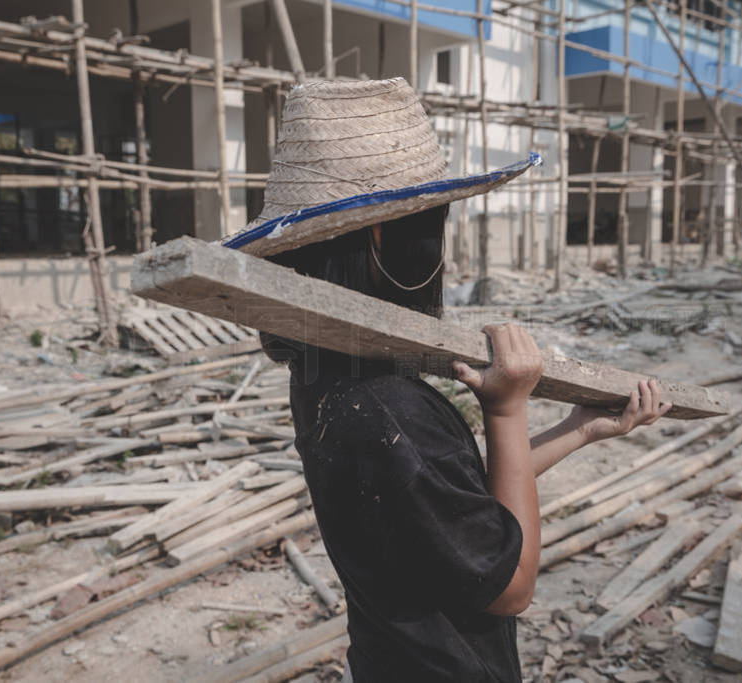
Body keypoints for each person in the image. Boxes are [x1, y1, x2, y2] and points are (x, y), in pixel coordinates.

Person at [222, 78, 671, 682]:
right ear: (381, 235)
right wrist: (507, 412)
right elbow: (509, 588)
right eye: (433, 221)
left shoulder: (329, 377)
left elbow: (447, 498)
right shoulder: (387, 408)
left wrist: (581, 429)